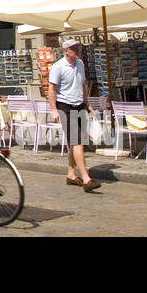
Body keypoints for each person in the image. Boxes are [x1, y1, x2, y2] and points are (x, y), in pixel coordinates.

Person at [49, 40, 99, 191]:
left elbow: (82, 85)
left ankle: (71, 174)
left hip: (79, 105)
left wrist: (86, 103)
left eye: (79, 47)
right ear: (66, 51)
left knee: (77, 142)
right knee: (78, 141)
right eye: (74, 48)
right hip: (65, 106)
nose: (78, 50)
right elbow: (51, 90)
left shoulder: (80, 64)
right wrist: (54, 110)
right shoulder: (58, 67)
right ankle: (86, 178)